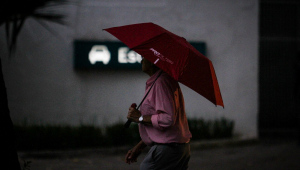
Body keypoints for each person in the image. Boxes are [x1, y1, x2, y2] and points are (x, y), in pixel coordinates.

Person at [125, 57, 192, 170]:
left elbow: (167, 119)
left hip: (168, 150)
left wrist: (140, 117)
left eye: (143, 58)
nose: (141, 61)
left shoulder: (161, 82)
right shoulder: (162, 80)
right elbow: (162, 126)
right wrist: (140, 146)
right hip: (177, 148)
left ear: (152, 61)